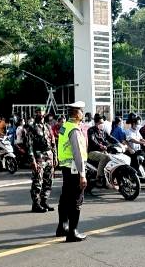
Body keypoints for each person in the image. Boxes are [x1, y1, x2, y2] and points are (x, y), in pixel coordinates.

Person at [56, 101, 88, 242]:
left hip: (65, 167)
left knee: (65, 197)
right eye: (81, 111)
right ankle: (72, 232)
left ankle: (62, 226)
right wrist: (82, 174)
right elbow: (78, 153)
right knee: (76, 199)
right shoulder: (74, 129)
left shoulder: (65, 126)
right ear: (76, 114)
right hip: (74, 168)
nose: (82, 113)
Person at [27, 106, 57, 213]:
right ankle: (36, 204)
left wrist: (55, 157)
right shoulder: (32, 127)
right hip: (38, 156)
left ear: (45, 114)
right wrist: (32, 160)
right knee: (37, 181)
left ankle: (44, 201)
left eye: (42, 112)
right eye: (38, 112)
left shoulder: (48, 127)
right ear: (35, 114)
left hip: (49, 156)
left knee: (48, 180)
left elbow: (53, 143)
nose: (40, 114)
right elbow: (29, 145)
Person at [87, 114, 119, 189]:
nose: (102, 124)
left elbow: (110, 138)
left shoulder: (103, 131)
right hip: (92, 152)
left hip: (103, 151)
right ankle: (99, 177)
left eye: (102, 123)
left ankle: (110, 179)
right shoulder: (91, 130)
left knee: (113, 159)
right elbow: (92, 140)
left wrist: (119, 143)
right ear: (96, 123)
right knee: (105, 157)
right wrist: (100, 146)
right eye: (100, 123)